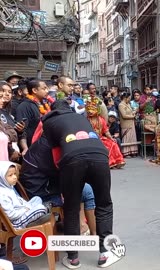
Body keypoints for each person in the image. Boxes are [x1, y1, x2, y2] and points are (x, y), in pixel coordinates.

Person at [40, 100, 123, 268]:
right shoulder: (82, 118)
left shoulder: (48, 122)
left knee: (71, 208)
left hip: (72, 160)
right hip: (100, 156)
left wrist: (60, 174)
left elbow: (55, 152)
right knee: (104, 204)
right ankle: (105, 253)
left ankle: (73, 258)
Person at [20, 136, 96, 235]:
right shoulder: (48, 148)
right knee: (85, 190)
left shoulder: (43, 143)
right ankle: (92, 232)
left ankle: (82, 225)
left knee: (82, 187)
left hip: (41, 187)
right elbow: (63, 173)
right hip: (41, 195)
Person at [0, 161, 50, 229]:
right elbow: (10, 215)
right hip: (16, 222)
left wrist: (27, 207)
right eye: (10, 175)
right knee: (40, 208)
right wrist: (25, 210)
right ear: (1, 178)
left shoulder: (8, 187)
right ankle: (41, 213)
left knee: (37, 198)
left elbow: (19, 201)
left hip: (22, 210)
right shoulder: (2, 195)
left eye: (14, 174)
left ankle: (37, 214)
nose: (15, 177)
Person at [118, 93, 138, 157]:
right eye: (129, 98)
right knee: (127, 138)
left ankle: (132, 151)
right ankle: (126, 152)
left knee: (132, 137)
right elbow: (124, 115)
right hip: (125, 124)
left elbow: (130, 112)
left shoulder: (128, 104)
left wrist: (134, 112)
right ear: (125, 98)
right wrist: (132, 116)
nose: (129, 99)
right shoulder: (121, 105)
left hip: (131, 123)